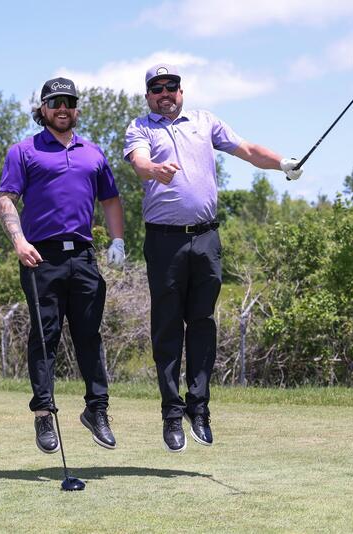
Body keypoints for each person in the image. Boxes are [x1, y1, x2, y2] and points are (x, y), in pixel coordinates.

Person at [124, 63, 302, 453]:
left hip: (206, 240)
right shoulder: (141, 128)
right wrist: (155, 170)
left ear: (182, 91)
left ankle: (198, 408)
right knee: (168, 328)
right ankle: (172, 414)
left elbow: (249, 150)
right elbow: (138, 163)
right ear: (148, 95)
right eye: (157, 88)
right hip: (164, 242)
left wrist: (282, 163)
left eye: (171, 86)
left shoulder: (205, 122)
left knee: (202, 324)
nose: (165, 93)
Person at [0, 77, 125, 454]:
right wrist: (19, 242)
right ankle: (43, 415)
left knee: (90, 337)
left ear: (77, 108)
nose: (62, 108)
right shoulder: (23, 151)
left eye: (68, 102)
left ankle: (97, 410)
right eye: (55, 103)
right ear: (42, 110)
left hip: (84, 257)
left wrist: (117, 240)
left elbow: (112, 199)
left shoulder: (93, 153)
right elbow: (6, 200)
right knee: (45, 337)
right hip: (42, 257)